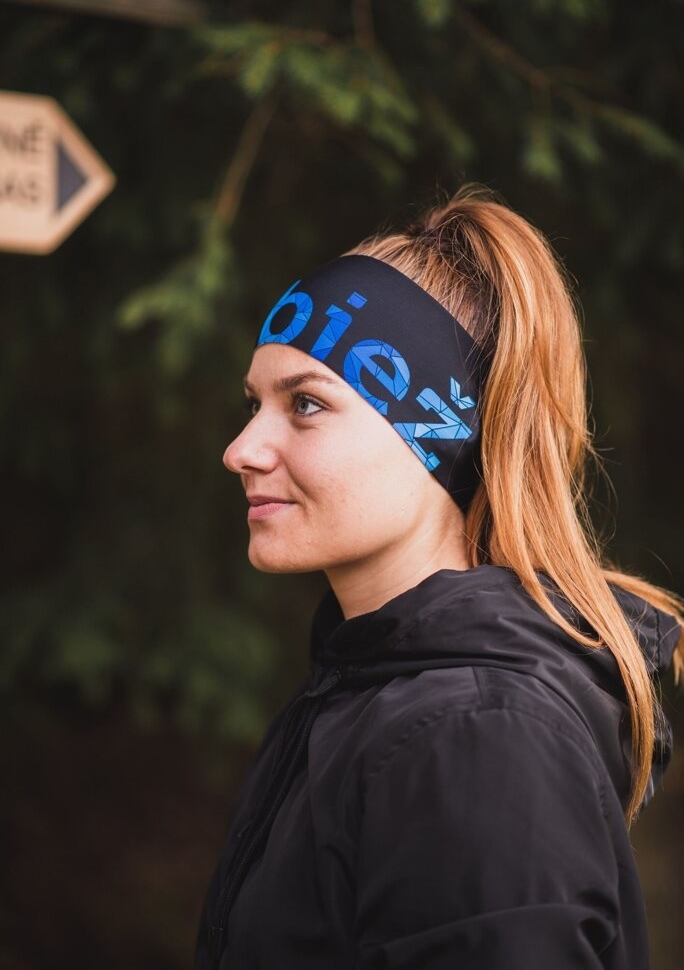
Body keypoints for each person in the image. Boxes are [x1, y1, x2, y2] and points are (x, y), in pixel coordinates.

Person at [195, 184, 682, 970]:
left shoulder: (474, 736)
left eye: (306, 405)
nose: (241, 449)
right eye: (255, 404)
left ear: (442, 433)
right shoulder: (369, 692)